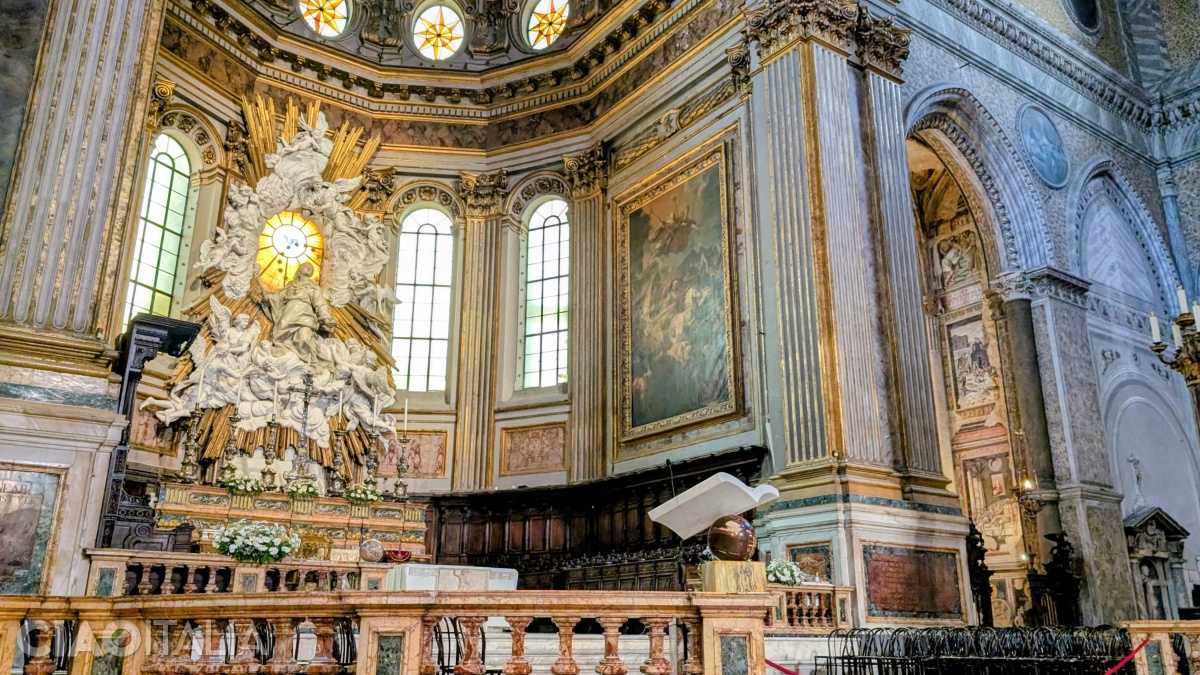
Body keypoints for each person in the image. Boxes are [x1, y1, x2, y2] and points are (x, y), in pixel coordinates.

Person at [260, 262, 337, 362]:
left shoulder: (313, 287)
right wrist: (268, 298)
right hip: (288, 313)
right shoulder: (290, 285)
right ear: (299, 270)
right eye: (306, 266)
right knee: (282, 337)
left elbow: (321, 304)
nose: (309, 268)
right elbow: (278, 296)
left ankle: (312, 363)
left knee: (304, 337)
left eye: (311, 268)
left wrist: (326, 319)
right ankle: (286, 357)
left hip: (305, 314)